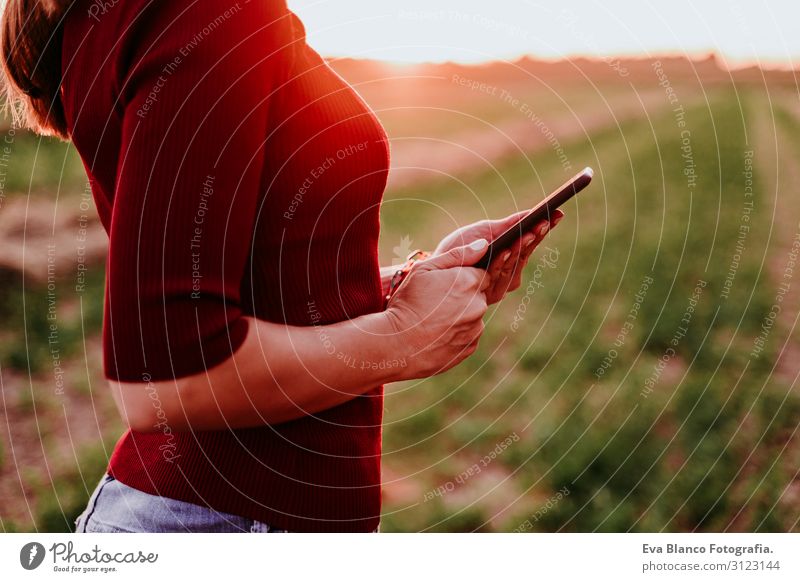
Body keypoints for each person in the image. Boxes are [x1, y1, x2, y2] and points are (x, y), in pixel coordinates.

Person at [1, 0, 562, 532]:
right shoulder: (209, 14)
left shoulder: (126, 20)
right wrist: (405, 338)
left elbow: (246, 280)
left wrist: (408, 287)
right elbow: (167, 378)